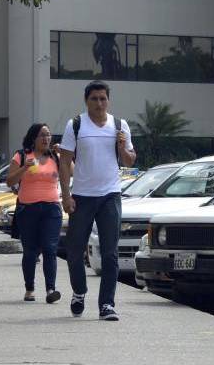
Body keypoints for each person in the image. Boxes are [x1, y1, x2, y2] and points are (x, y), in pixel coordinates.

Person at [59, 80, 136, 321]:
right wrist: (66, 195)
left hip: (110, 195)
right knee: (74, 251)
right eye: (94, 99)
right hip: (82, 196)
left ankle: (107, 304)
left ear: (108, 100)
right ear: (86, 101)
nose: (99, 103)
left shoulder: (119, 125)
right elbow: (64, 162)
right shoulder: (76, 125)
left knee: (110, 253)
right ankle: (79, 292)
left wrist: (122, 147)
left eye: (103, 98)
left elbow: (130, 160)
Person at [7, 123, 62, 304]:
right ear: (33, 138)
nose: (46, 138)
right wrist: (24, 168)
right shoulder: (22, 155)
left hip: (52, 208)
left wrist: (64, 154)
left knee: (50, 248)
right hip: (28, 208)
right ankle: (29, 288)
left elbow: (72, 172)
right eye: (42, 135)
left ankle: (51, 289)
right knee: (30, 251)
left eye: (48, 135)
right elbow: (9, 181)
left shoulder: (55, 156)